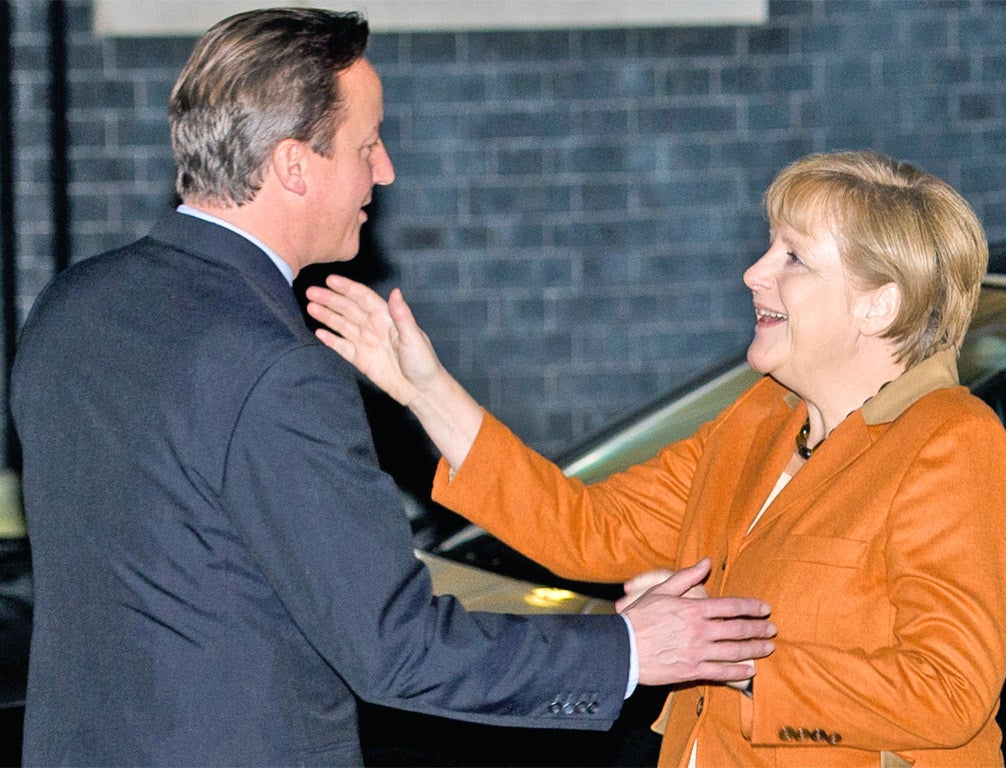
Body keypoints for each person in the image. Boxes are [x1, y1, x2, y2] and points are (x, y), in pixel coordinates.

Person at [8, 8, 780, 767]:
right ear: (292, 166)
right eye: (367, 144)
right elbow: (397, 647)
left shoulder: (71, 307)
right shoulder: (277, 366)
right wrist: (630, 649)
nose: (385, 171)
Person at [308, 149, 1006, 767]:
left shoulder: (951, 443)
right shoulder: (759, 421)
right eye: (768, 247)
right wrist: (425, 390)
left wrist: (725, 650)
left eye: (793, 258)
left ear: (879, 306)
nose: (753, 272)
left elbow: (948, 693)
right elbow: (585, 528)